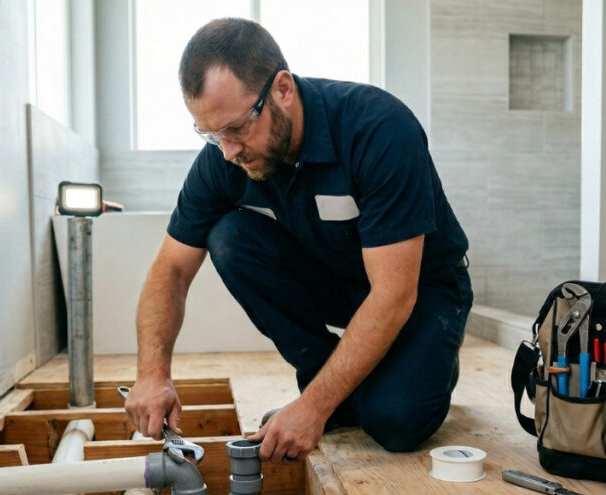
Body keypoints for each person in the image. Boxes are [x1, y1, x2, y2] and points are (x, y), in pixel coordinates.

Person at [123, 17, 472, 463]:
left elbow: (393, 294)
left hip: (420, 291)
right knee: (228, 236)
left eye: (235, 128)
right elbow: (170, 268)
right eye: (209, 134)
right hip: (338, 278)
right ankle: (327, 379)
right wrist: (152, 374)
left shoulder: (379, 130)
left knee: (395, 422)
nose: (227, 150)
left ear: (283, 90)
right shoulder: (223, 158)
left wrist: (311, 410)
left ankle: (423, 360)